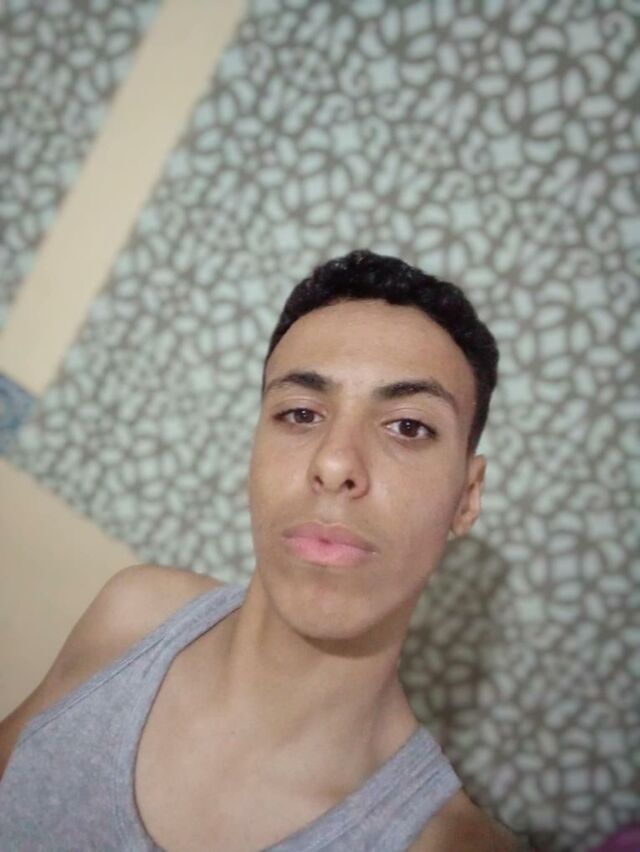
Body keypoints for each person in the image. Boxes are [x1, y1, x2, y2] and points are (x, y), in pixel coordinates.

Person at [0, 249, 524, 850]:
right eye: (300, 414)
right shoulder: (133, 614)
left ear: (467, 497)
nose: (334, 462)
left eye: (408, 426)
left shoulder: (447, 842)